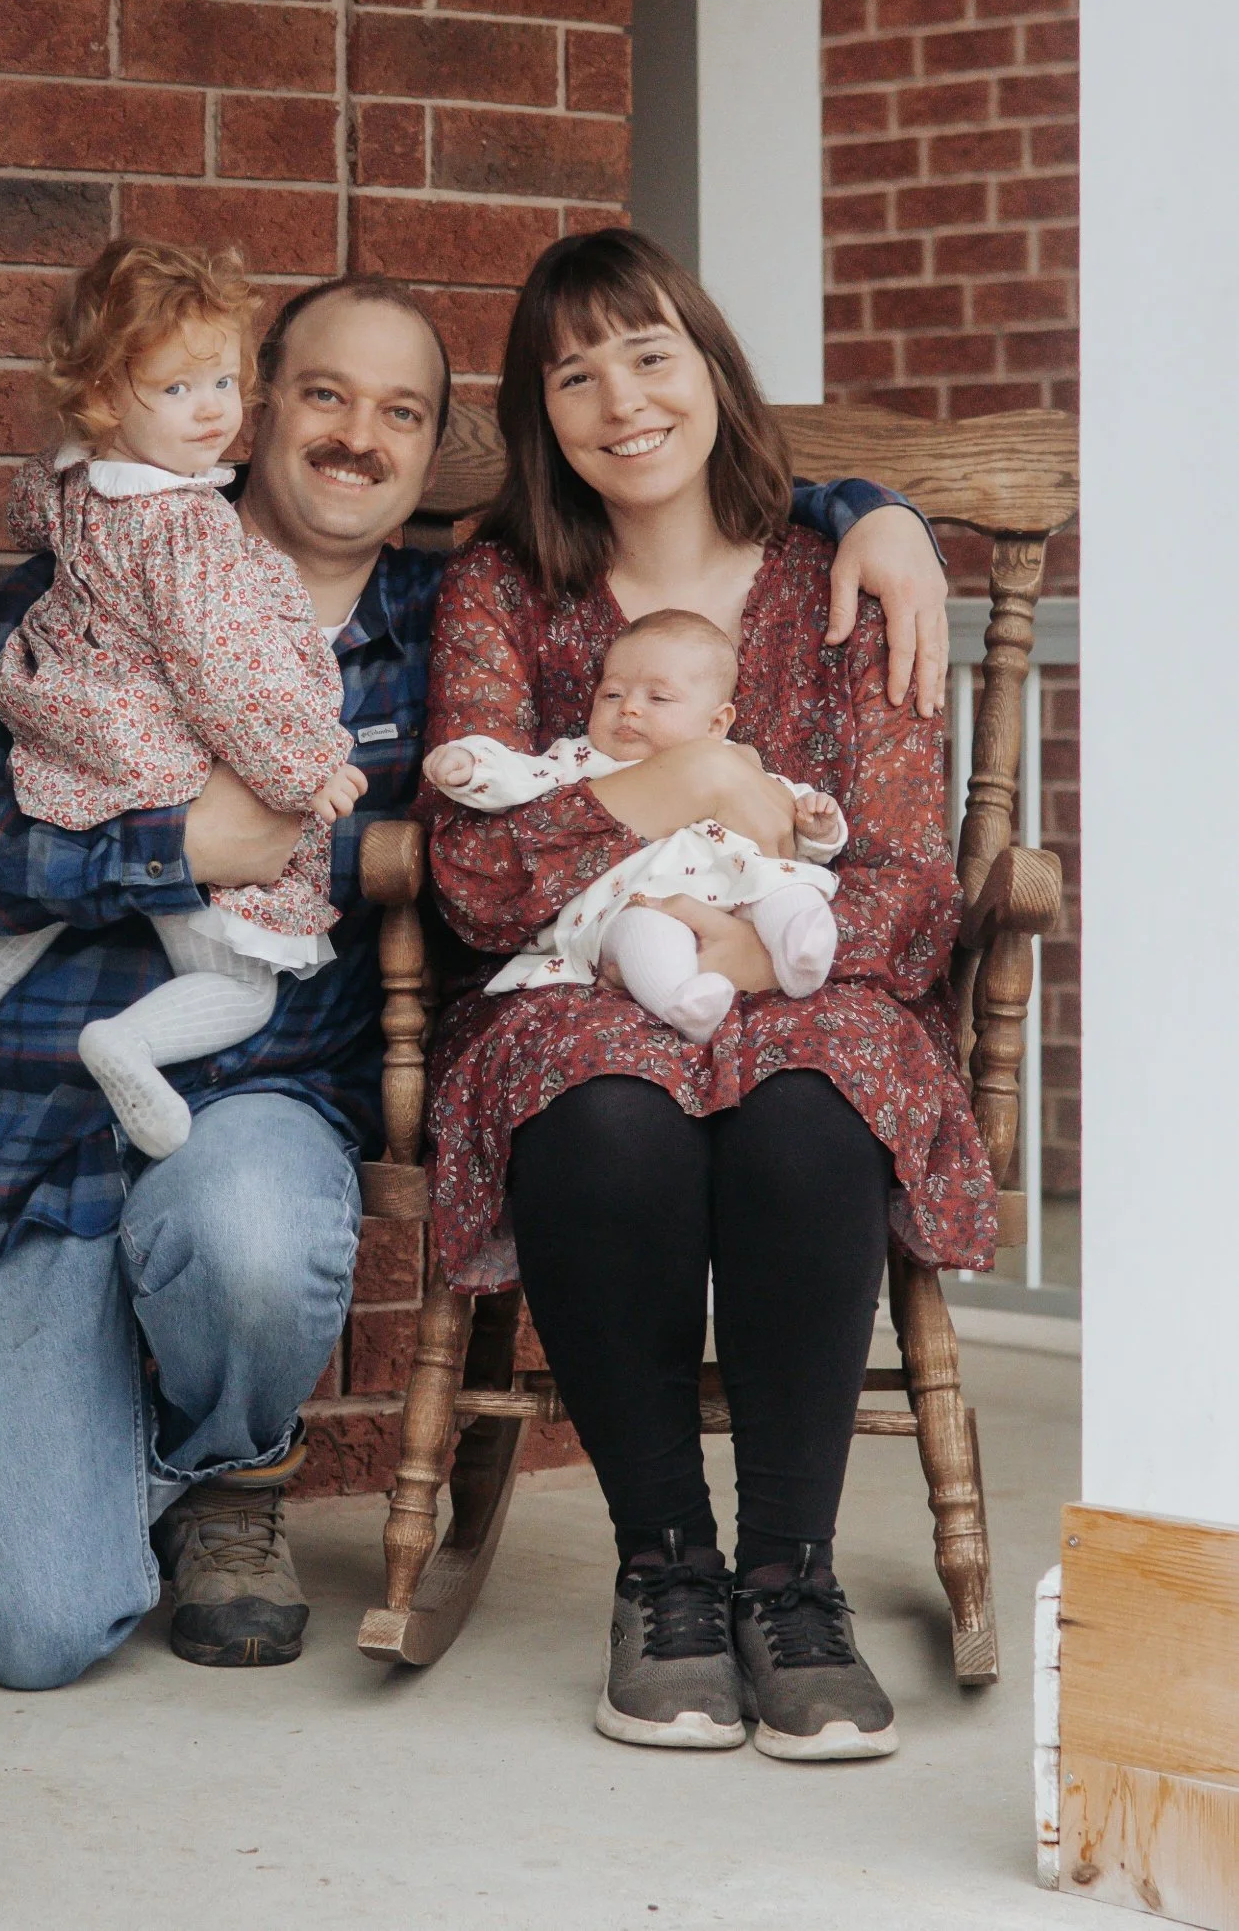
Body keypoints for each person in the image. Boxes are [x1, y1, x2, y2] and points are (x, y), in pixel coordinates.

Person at [0, 267, 952, 1689]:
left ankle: (231, 1471)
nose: (357, 437)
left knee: (255, 1237)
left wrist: (867, 506)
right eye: (321, 395)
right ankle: (157, 1480)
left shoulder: (437, 614)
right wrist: (164, 843)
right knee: (31, 1628)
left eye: (400, 413)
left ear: (436, 453)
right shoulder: (80, 596)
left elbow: (685, 496)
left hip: (248, 1104)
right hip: (17, 1131)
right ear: (251, 415)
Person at [425, 229, 993, 1763]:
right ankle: (664, 1568)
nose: (619, 398)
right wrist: (681, 779)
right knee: (600, 1117)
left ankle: (789, 1583)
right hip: (575, 977)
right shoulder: (501, 592)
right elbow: (478, 882)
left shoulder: (836, 579)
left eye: (647, 353)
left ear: (709, 367)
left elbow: (902, 879)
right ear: (539, 413)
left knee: (809, 1114)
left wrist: (743, 958)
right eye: (573, 372)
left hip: (803, 970)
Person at [0, 244, 365, 1210]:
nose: (213, 409)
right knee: (241, 982)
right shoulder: (192, 527)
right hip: (162, 766)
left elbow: (31, 506)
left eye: (226, 382)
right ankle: (129, 1044)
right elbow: (219, 668)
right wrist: (305, 765)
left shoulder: (79, 484)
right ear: (109, 403)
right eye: (178, 386)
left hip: (69, 749)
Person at [423, 606, 847, 1045]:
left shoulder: (742, 766)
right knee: (644, 931)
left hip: (736, 902)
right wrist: (472, 764)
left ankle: (802, 953)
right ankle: (684, 1001)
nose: (629, 709)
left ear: (717, 723)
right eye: (611, 696)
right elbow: (519, 775)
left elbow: (792, 838)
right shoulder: (582, 760)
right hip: (631, 906)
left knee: (785, 885)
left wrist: (819, 831)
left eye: (658, 699)